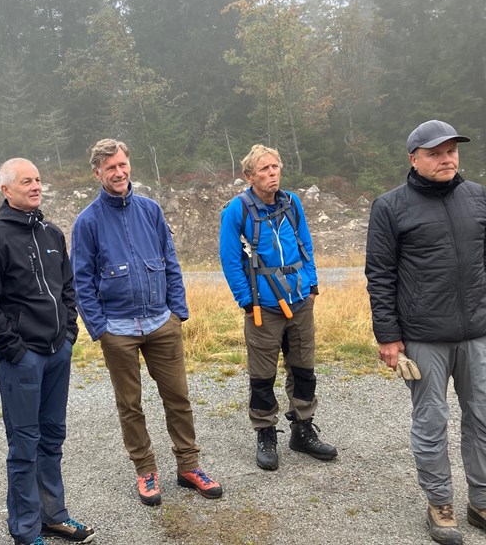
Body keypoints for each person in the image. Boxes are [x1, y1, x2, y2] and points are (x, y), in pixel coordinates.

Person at [70, 138, 223, 506]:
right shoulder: (87, 221)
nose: (119, 172)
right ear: (98, 174)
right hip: (118, 330)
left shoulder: (151, 211)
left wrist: (177, 312)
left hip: (161, 324)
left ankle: (189, 466)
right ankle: (146, 471)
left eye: (122, 165)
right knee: (130, 405)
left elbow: (170, 262)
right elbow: (82, 280)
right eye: (110, 168)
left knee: (178, 398)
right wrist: (100, 329)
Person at [365, 120, 486, 545]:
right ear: (414, 158)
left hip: (477, 333)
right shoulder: (391, 206)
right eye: (436, 152)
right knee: (432, 421)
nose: (447, 158)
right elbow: (380, 274)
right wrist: (388, 335)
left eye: (452, 150)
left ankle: (481, 501)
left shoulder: (477, 198)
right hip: (423, 335)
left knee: (483, 418)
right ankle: (441, 504)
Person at [0, 158, 93, 545]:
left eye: (38, 179)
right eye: (26, 181)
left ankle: (53, 515)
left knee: (52, 438)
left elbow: (67, 289)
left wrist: (69, 333)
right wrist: (14, 349)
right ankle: (25, 529)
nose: (35, 186)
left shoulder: (53, 234)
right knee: (24, 444)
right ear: (6, 190)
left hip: (58, 352)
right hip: (23, 359)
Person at [219, 144, 337, 472]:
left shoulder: (292, 203)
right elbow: (230, 259)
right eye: (264, 170)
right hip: (263, 306)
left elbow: (305, 243)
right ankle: (265, 432)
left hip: (300, 301)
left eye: (275, 167)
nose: (272, 174)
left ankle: (302, 429)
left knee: (303, 369)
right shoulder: (236, 211)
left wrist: (311, 284)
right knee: (262, 375)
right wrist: (246, 301)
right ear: (249, 176)